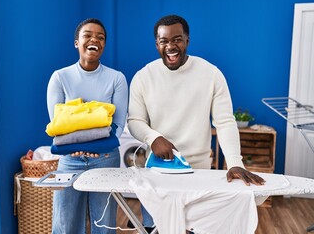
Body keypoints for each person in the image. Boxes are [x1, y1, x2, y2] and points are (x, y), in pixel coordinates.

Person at [127, 14, 265, 230]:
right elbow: (135, 120)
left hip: (199, 171)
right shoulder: (143, 77)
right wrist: (154, 138)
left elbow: (225, 122)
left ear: (187, 41)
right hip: (157, 174)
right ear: (156, 44)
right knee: (154, 228)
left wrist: (235, 162)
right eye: (164, 41)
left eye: (177, 39)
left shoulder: (211, 74)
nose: (171, 46)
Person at [47, 18, 128, 234]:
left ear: (104, 45)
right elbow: (58, 125)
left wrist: (96, 147)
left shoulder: (117, 79)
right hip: (69, 160)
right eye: (88, 35)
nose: (95, 40)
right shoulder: (60, 78)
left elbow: (118, 125)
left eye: (100, 37)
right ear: (76, 42)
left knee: (105, 225)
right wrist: (79, 145)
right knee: (65, 225)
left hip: (105, 159)